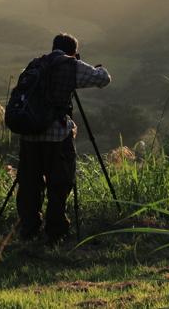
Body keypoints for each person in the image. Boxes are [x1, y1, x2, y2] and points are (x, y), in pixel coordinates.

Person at [16, 32, 110, 243]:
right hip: (57, 134)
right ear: (73, 52)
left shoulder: (36, 64)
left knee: (30, 183)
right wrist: (85, 64)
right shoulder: (72, 66)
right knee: (59, 182)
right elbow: (104, 78)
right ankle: (56, 232)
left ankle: (28, 231)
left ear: (53, 48)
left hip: (29, 133)